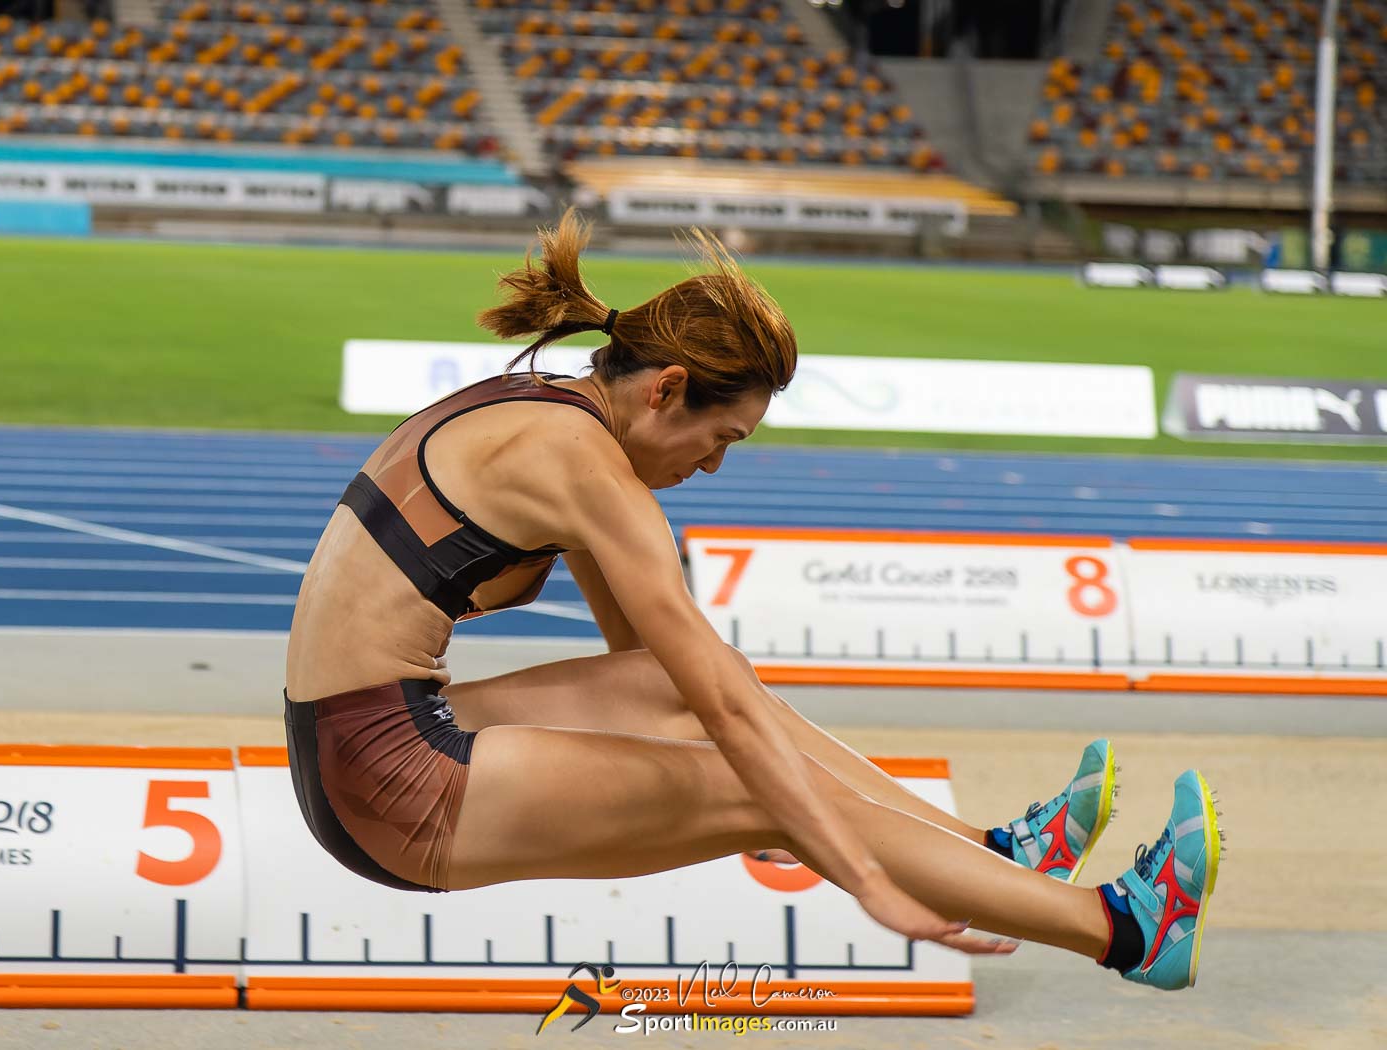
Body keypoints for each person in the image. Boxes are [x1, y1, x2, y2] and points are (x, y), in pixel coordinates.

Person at [283, 208, 1222, 991]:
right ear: (668, 388)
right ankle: (1124, 931)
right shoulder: (578, 464)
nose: (713, 464)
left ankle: (992, 856)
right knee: (749, 775)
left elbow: (666, 679)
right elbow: (726, 713)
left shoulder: (546, 411)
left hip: (357, 742)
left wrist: (803, 805)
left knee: (701, 700)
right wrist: (857, 872)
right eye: (719, 435)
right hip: (388, 785)